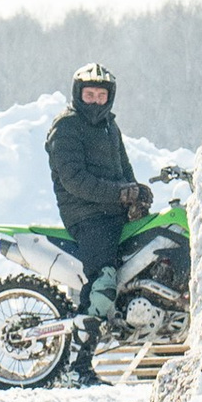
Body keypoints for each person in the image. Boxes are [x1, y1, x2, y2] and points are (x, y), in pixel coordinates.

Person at [46, 59, 144, 382]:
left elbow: (124, 170)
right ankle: (78, 366)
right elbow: (74, 180)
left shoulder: (110, 127)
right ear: (78, 94)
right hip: (86, 215)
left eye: (102, 96)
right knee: (103, 282)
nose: (96, 102)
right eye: (89, 95)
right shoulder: (66, 127)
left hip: (113, 213)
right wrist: (119, 194)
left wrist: (137, 192)